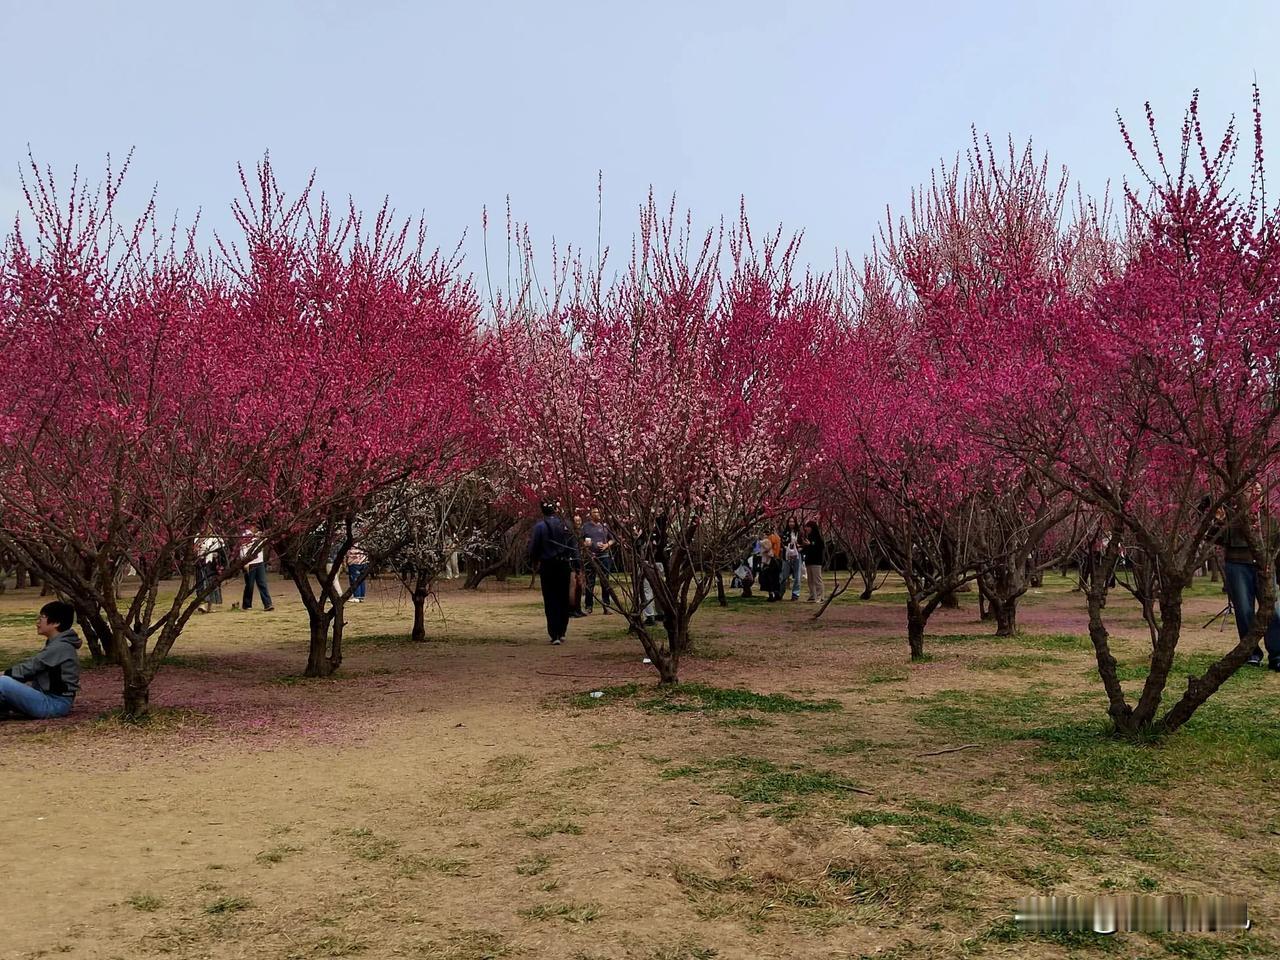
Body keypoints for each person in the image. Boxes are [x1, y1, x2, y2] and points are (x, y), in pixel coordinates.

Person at [1215, 493, 1280, 669]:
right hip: (1237, 565)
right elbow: (1216, 538)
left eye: (1258, 491)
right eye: (1250, 491)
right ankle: (1251, 653)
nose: (1254, 495)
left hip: (1265, 567)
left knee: (1273, 610)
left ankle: (1277, 654)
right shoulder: (1233, 514)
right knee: (1244, 611)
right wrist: (1219, 521)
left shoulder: (1270, 516)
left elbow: (1276, 547)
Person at [0, 601, 82, 719]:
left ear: (56, 623)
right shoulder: (58, 643)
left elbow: (30, 668)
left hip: (54, 704)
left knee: (3, 682)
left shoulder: (60, 647)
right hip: (49, 700)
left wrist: (4, 674)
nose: (38, 622)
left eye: (42, 617)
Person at [528, 500, 574, 645]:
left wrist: (534, 561)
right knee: (563, 597)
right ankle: (562, 631)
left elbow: (534, 547)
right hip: (564, 564)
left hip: (548, 565)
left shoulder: (540, 527)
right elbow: (573, 545)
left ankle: (554, 634)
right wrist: (576, 564)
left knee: (550, 598)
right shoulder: (566, 525)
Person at [581, 506, 615, 614]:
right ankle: (588, 606)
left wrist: (606, 545)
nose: (597, 514)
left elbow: (613, 539)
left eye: (598, 512)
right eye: (595, 512)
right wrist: (585, 545)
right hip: (591, 557)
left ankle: (606, 605)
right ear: (591, 514)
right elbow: (580, 539)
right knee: (590, 582)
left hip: (604, 556)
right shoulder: (585, 527)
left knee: (605, 581)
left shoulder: (605, 526)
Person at [240, 527, 274, 611]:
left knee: (262, 583)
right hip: (250, 563)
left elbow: (265, 542)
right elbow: (242, 549)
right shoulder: (245, 535)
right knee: (249, 585)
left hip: (259, 561)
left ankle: (267, 604)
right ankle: (247, 604)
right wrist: (245, 562)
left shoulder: (259, 535)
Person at [194, 530, 227, 614]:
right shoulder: (197, 538)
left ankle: (209, 606)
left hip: (212, 565)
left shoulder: (215, 538)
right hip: (200, 563)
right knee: (201, 584)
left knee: (212, 584)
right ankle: (202, 604)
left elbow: (222, 552)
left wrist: (217, 556)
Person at [802, 520, 826, 603]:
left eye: (808, 527)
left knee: (817, 579)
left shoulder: (818, 538)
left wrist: (811, 545)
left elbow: (820, 548)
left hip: (816, 561)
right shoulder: (808, 537)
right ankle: (812, 595)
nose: (806, 529)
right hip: (809, 561)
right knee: (810, 580)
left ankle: (820, 596)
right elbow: (806, 549)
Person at [781, 516, 804, 602]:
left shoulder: (799, 533)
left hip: (797, 556)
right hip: (786, 556)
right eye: (790, 522)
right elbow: (782, 543)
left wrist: (800, 547)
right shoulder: (785, 533)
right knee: (784, 575)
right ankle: (780, 593)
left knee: (797, 576)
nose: (791, 523)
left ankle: (795, 594)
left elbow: (803, 544)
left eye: (793, 522)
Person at [568, 513, 586, 618]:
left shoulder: (580, 533)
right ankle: (571, 610)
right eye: (576, 521)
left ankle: (578, 608)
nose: (578, 523)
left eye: (579, 520)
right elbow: (574, 550)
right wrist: (578, 565)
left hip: (579, 560)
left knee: (579, 586)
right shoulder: (572, 534)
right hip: (573, 562)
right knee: (573, 586)